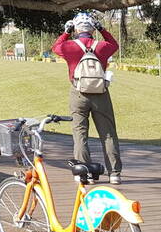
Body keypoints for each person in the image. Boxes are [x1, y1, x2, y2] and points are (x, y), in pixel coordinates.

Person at [52, 12, 123, 185]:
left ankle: (84, 173)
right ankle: (114, 173)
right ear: (92, 29)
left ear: (76, 28)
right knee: (108, 134)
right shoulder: (102, 46)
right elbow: (114, 45)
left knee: (80, 134)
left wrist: (66, 32)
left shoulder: (70, 46)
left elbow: (56, 47)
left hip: (78, 93)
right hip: (101, 94)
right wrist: (103, 29)